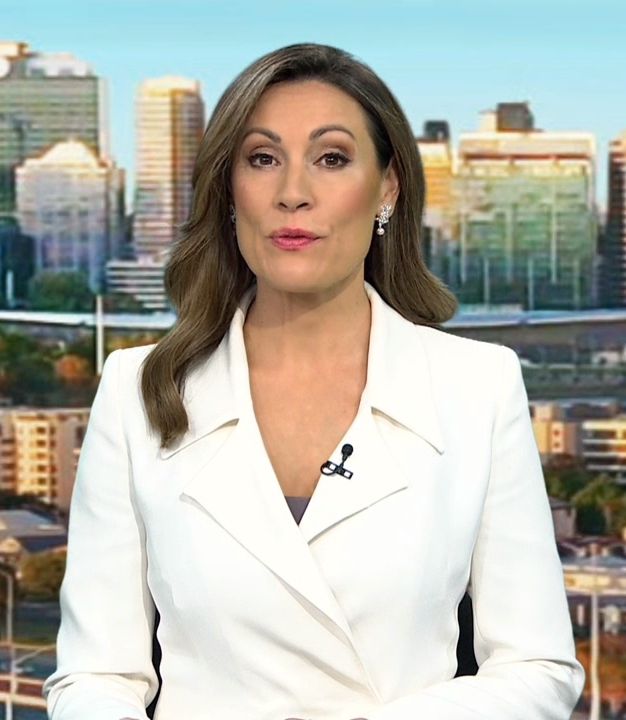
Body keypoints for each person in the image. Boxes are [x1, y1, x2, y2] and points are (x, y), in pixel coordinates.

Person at [42, 42, 585, 720]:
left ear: (387, 188)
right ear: (229, 191)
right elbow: (94, 676)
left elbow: (537, 669)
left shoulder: (478, 386)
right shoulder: (137, 390)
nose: (292, 193)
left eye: (331, 159)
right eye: (262, 159)